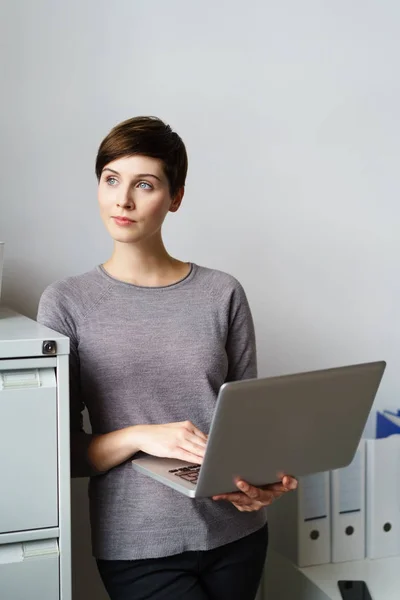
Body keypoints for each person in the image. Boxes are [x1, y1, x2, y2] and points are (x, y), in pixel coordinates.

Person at [37, 116, 297, 600]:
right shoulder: (66, 302)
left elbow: (249, 425)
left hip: (237, 534)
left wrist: (262, 481)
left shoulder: (222, 293)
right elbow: (61, 452)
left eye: (145, 184)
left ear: (175, 198)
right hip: (138, 543)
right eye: (111, 179)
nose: (123, 199)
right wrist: (142, 435)